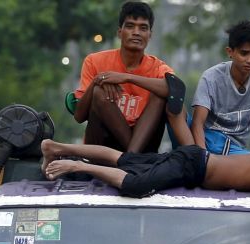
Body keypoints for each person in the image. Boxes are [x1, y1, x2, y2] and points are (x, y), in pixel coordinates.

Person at [40, 135, 250, 233]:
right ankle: (75, 164)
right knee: (135, 186)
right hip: (195, 167)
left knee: (126, 159)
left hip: (195, 161)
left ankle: (56, 146)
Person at [69, 1, 174, 152]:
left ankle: (130, 156)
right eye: (130, 26)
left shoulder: (158, 67)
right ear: (120, 32)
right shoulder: (94, 61)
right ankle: (132, 157)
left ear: (150, 35)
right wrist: (97, 83)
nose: (136, 32)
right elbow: (79, 117)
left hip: (143, 143)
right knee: (98, 92)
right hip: (104, 146)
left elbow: (174, 90)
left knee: (160, 93)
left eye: (143, 28)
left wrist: (127, 77)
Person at [190, 20, 250, 155]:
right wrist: (204, 158)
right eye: (244, 53)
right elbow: (198, 123)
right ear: (230, 52)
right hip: (212, 141)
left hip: (237, 148)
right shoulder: (211, 78)